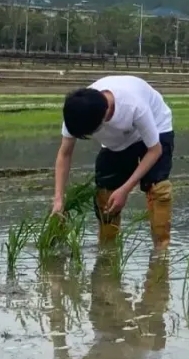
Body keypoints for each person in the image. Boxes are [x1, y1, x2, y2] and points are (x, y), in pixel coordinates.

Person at [54, 76, 175, 250]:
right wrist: (59, 199)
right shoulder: (77, 112)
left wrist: (125, 190)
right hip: (117, 141)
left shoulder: (134, 106)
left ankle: (161, 250)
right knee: (105, 194)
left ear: (103, 119)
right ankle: (107, 249)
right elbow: (65, 154)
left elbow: (155, 151)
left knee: (158, 189)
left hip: (157, 128)